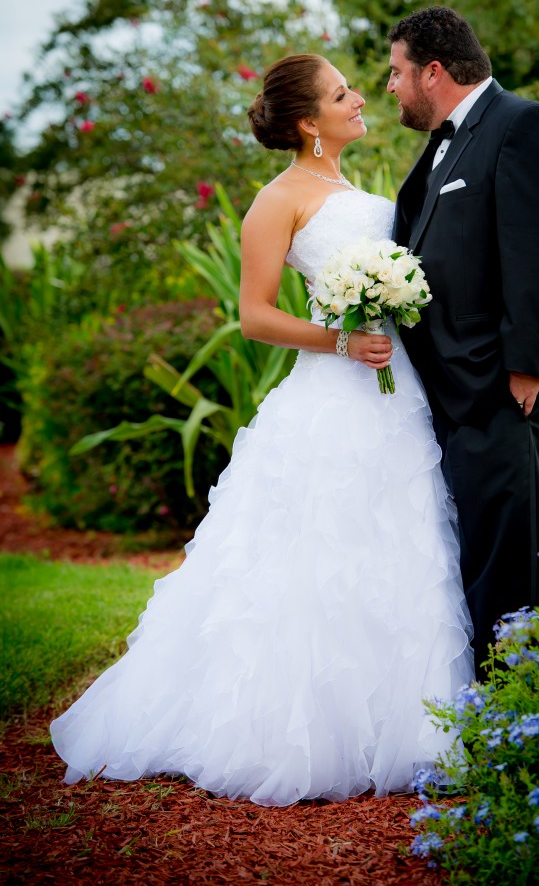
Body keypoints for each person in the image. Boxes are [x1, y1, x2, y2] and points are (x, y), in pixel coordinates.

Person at [50, 53, 474, 807]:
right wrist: (341, 340)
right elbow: (254, 316)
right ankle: (301, 729)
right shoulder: (276, 201)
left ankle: (409, 722)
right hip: (333, 393)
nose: (358, 100)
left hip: (396, 392)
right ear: (308, 122)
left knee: (397, 539)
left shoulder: (355, 190)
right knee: (321, 551)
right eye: (342, 94)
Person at [387, 7, 539, 678]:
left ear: (433, 71)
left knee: (517, 572)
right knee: (480, 559)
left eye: (395, 72)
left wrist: (525, 371)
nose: (389, 87)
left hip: (506, 393)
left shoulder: (524, 126)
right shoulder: (444, 144)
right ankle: (490, 716)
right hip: (455, 393)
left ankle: (519, 719)